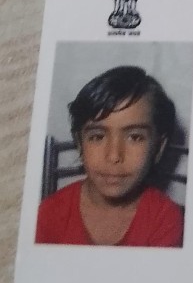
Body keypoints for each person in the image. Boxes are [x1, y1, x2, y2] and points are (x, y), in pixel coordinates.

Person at [36, 65, 184, 247]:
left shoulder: (165, 219)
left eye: (135, 137)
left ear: (158, 148)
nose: (114, 156)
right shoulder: (48, 214)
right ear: (80, 143)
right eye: (97, 137)